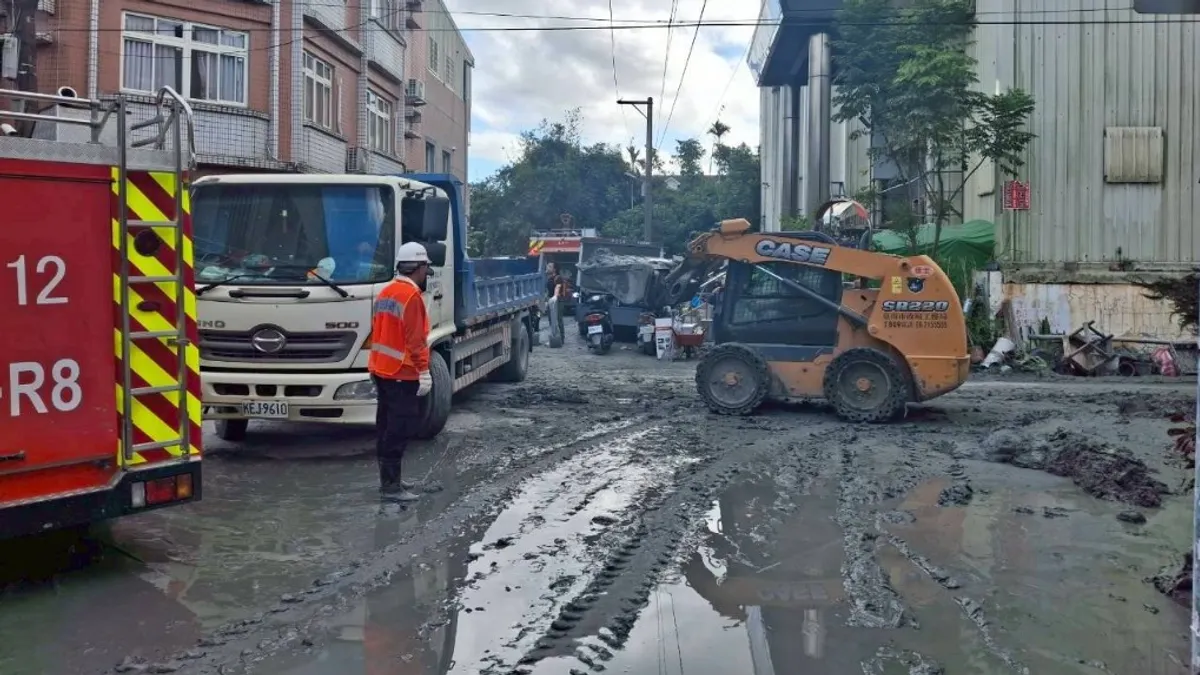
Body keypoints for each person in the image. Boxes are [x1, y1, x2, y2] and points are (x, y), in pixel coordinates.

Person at [368, 241, 434, 502]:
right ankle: (392, 488)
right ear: (419, 268)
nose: (426, 275)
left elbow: (379, 331)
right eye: (425, 269)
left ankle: (390, 480)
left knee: (385, 427)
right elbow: (416, 340)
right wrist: (424, 371)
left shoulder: (386, 292)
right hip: (401, 373)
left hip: (382, 369)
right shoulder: (411, 296)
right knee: (399, 428)